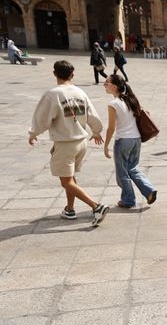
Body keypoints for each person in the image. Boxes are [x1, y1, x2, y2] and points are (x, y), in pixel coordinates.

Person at [28, 60, 110, 226]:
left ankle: (96, 206)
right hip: (81, 141)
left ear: (54, 73)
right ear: (72, 75)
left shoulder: (53, 94)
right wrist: (96, 130)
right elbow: (92, 114)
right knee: (70, 178)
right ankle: (70, 209)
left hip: (66, 143)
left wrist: (33, 133)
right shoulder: (80, 92)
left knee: (66, 181)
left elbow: (42, 118)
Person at [102, 74, 157, 208]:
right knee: (132, 168)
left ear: (114, 87)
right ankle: (149, 190)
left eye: (106, 83)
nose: (104, 85)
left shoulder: (113, 104)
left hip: (123, 140)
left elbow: (111, 127)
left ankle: (128, 200)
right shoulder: (131, 99)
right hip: (136, 139)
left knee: (122, 172)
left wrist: (106, 146)